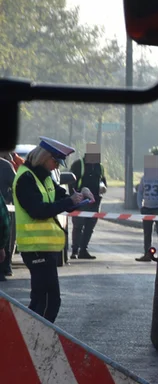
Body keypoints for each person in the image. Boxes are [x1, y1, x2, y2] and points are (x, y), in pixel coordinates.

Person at [12, 138, 93, 322]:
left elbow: (64, 199)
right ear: (44, 157)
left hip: (45, 248)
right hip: (34, 247)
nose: (55, 167)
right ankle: (32, 341)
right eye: (54, 162)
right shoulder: (26, 178)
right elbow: (38, 211)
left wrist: (81, 195)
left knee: (45, 301)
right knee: (46, 301)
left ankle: (31, 341)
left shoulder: (44, 177)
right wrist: (69, 202)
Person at [70, 143, 107, 260]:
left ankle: (83, 250)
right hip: (81, 202)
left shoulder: (99, 167)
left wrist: (103, 187)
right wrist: (75, 196)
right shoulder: (78, 165)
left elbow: (103, 181)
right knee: (78, 226)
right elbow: (71, 183)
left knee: (89, 227)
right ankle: (75, 250)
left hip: (95, 202)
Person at [136, 155, 158, 262]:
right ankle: (147, 254)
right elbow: (140, 192)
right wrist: (140, 206)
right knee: (147, 233)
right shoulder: (144, 178)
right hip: (147, 208)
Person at [0, 151, 15, 279]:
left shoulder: (5, 166)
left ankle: (5, 267)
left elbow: (17, 186)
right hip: (4, 208)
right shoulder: (5, 165)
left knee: (5, 238)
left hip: (4, 208)